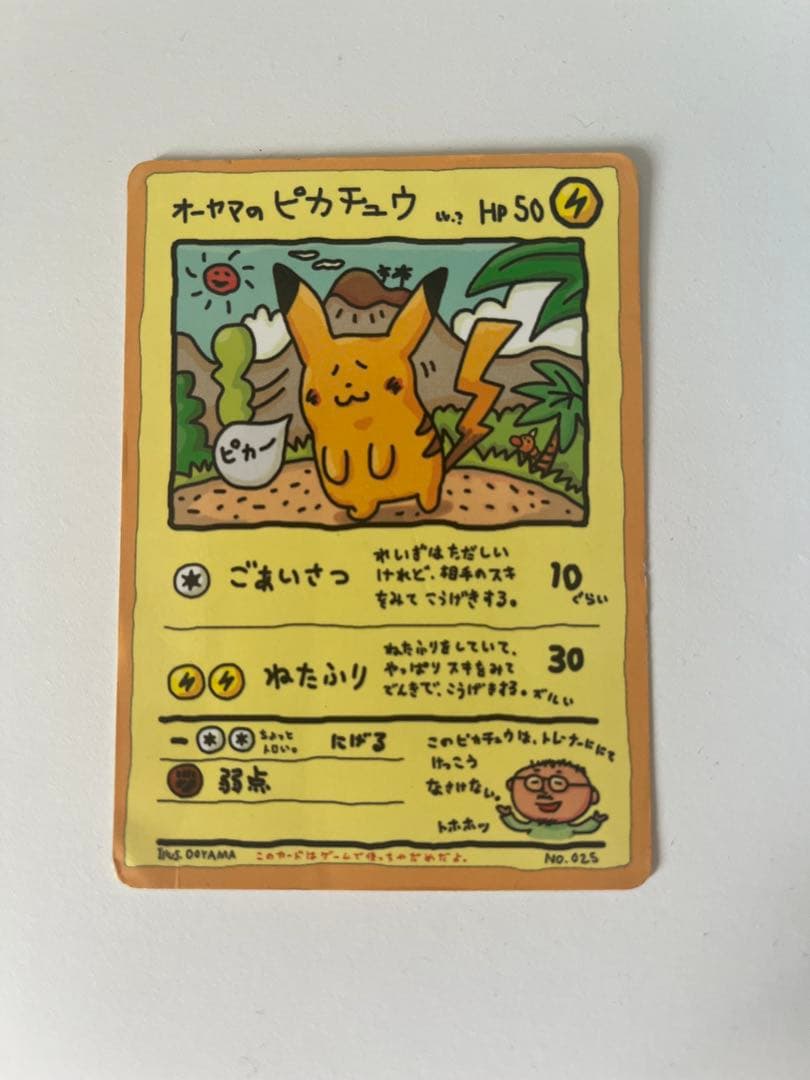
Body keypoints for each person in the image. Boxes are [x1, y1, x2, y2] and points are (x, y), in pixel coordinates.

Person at [497, 759, 608, 840]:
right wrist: (507, 815)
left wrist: (595, 820)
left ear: (592, 796)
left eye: (558, 783)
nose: (545, 792)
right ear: (512, 786)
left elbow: (583, 828)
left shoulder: (567, 828)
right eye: (534, 782)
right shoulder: (532, 825)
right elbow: (517, 825)